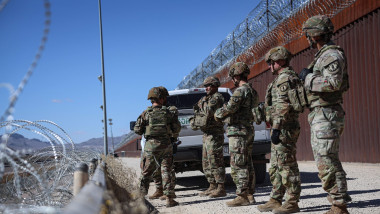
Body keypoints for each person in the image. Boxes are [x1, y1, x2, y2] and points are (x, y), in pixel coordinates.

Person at [299, 15, 351, 214]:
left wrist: (308, 78)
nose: (307, 39)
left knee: (326, 160)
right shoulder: (323, 55)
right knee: (328, 158)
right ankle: (338, 203)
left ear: (315, 34)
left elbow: (333, 83)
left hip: (327, 113)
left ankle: (339, 206)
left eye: (308, 35)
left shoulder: (331, 56)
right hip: (322, 113)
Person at [258, 46, 305, 214]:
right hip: (280, 127)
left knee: (287, 165)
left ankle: (292, 202)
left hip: (284, 128)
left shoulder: (285, 79)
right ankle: (276, 199)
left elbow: (283, 106)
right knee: (277, 166)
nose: (269, 66)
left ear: (279, 61)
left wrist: (276, 128)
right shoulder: (281, 78)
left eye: (271, 63)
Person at [214, 62, 259, 206]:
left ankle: (242, 196)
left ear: (237, 76)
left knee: (238, 164)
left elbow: (230, 107)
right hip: (248, 130)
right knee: (248, 163)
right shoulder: (253, 92)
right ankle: (250, 194)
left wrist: (218, 114)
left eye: (233, 76)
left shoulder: (240, 91)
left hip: (238, 131)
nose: (232, 79)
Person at [134, 86, 181, 207]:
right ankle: (169, 199)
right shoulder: (168, 113)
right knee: (167, 171)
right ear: (161, 98)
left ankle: (140, 199)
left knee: (146, 173)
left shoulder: (146, 113)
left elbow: (137, 130)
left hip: (151, 146)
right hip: (166, 145)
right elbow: (177, 128)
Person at [190, 76, 226, 198]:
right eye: (205, 86)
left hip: (215, 134)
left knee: (215, 160)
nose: (207, 88)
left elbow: (208, 111)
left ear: (215, 86)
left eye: (209, 85)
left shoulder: (217, 98)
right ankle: (212, 185)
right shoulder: (206, 98)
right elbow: (197, 113)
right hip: (206, 134)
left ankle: (221, 187)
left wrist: (201, 105)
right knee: (206, 162)